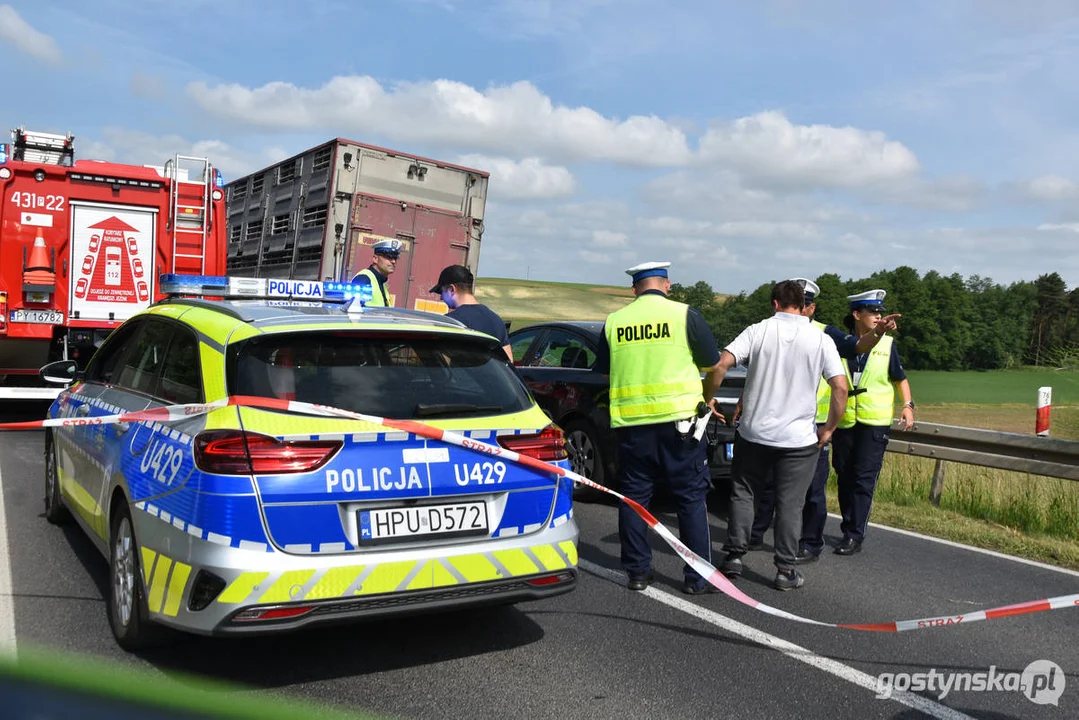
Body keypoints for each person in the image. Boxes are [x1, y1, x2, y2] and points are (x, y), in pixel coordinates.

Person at [743, 277, 901, 559]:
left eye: (802, 305)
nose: (797, 310)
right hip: (772, 418)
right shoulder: (768, 329)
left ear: (810, 308)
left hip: (810, 423)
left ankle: (810, 542)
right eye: (794, 303)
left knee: (813, 488)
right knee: (766, 483)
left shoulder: (825, 334)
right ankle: (755, 534)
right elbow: (757, 370)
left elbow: (857, 346)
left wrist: (878, 333)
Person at [592, 261, 724, 595]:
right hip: (680, 425)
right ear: (666, 285)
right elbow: (713, 364)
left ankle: (637, 573)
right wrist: (707, 397)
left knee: (635, 499)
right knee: (690, 499)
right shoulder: (684, 314)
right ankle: (697, 578)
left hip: (632, 427)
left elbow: (606, 374)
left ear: (634, 289)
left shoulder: (615, 322)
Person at [714, 280, 847, 591]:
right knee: (791, 503)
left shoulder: (757, 330)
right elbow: (840, 388)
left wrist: (710, 394)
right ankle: (785, 570)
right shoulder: (820, 339)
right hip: (799, 440)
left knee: (744, 493)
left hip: (754, 432)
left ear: (774, 303)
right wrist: (829, 428)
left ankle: (734, 556)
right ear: (803, 305)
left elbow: (722, 364)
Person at [831, 289, 915, 556]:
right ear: (857, 315)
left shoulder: (888, 345)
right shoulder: (838, 343)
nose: (878, 316)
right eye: (873, 312)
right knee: (844, 474)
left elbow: (900, 378)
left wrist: (908, 405)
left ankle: (854, 535)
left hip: (874, 422)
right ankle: (848, 525)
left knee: (864, 478)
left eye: (880, 312)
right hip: (845, 420)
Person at [429, 264, 513, 361]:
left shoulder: (450, 322)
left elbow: (439, 363)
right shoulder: (497, 320)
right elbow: (508, 362)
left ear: (451, 289)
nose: (441, 298)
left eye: (442, 292)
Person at [351, 238, 401, 307]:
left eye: (395, 258)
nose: (393, 261)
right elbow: (353, 311)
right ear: (375, 259)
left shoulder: (381, 283)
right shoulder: (364, 278)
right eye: (389, 257)